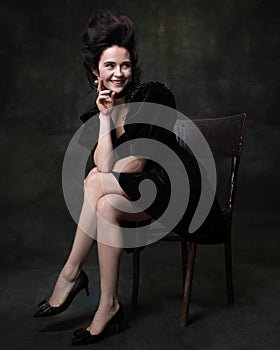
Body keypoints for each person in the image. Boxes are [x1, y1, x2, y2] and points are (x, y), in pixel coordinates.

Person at [33, 10, 227, 345]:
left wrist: (106, 164)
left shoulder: (153, 95)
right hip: (141, 199)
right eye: (109, 66)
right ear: (96, 72)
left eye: (124, 65)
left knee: (95, 180)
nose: (119, 73)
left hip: (178, 197)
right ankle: (108, 306)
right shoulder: (99, 112)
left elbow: (134, 167)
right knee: (104, 203)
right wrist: (106, 119)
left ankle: (70, 273)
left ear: (132, 65)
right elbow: (108, 166)